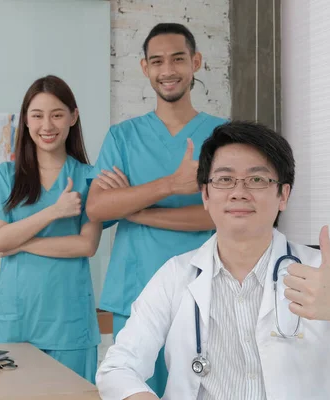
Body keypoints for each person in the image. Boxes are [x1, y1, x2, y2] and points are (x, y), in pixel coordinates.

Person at [96, 121, 330, 399]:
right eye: (224, 180)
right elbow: (117, 367)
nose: (239, 192)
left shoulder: (319, 270)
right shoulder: (176, 274)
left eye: (257, 181)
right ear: (205, 195)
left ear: (283, 195)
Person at [85, 22, 226, 396]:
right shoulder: (123, 136)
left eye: (178, 59)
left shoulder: (224, 137)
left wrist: (135, 207)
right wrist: (172, 186)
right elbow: (98, 207)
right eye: (158, 61)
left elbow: (220, 214)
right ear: (145, 68)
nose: (168, 70)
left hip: (208, 290)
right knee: (134, 388)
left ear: (195, 62)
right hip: (136, 287)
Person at [0, 75, 107, 383]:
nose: (47, 125)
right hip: (16, 322)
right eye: (37, 115)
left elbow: (86, 246)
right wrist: (54, 212)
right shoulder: (7, 176)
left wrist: (19, 243)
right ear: (26, 120)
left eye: (57, 114)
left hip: (70, 325)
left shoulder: (90, 178)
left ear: (73, 117)